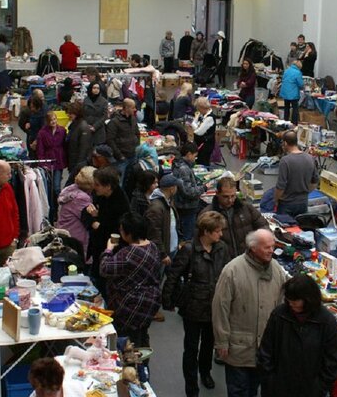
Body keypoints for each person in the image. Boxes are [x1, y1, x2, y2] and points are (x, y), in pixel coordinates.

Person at [212, 229, 288, 397]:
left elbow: (282, 306)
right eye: (266, 247)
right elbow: (220, 308)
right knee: (238, 391)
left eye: (273, 246)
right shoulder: (232, 271)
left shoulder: (276, 270)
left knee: (253, 391)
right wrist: (222, 341)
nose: (271, 250)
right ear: (253, 248)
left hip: (265, 349)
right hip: (238, 348)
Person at [162, 211, 229, 397]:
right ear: (206, 232)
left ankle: (205, 372)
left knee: (209, 344)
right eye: (217, 231)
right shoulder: (190, 250)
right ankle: (191, 386)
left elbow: (228, 274)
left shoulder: (222, 248)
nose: (221, 234)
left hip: (213, 307)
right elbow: (173, 275)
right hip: (193, 307)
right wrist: (167, 300)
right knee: (191, 348)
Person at [257, 274, 337, 397]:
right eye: (289, 300)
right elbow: (265, 351)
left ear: (308, 299)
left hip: (311, 391)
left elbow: (333, 360)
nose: (291, 304)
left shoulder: (326, 321)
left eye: (295, 300)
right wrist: (270, 381)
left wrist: (319, 387)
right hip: (278, 388)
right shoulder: (279, 315)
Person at [100, 212, 162, 350]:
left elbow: (104, 268)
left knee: (127, 342)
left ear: (129, 233)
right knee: (142, 337)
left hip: (129, 305)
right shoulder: (153, 247)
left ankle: (131, 368)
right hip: (150, 302)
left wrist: (108, 250)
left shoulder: (127, 253)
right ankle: (143, 367)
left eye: (122, 230)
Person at [82, 166, 130, 296]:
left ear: (108, 186)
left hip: (111, 251)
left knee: (105, 286)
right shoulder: (99, 195)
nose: (94, 187)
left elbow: (115, 229)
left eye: (97, 185)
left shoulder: (121, 204)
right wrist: (94, 222)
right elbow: (85, 213)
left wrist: (97, 221)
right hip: (98, 247)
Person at [199, 177, 268, 260]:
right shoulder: (207, 214)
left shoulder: (247, 208)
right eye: (226, 197)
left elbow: (263, 227)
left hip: (248, 259)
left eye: (233, 196)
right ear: (217, 193)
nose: (230, 200)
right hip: (222, 263)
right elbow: (200, 243)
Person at [275, 130, 319, 217]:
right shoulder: (310, 158)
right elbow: (315, 182)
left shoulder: (285, 161)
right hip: (303, 203)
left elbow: (280, 186)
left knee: (285, 228)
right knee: (300, 228)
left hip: (286, 204)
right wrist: (305, 192)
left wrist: (276, 200)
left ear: (285, 143)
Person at [57, 166, 95, 259]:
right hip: (76, 234)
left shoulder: (71, 189)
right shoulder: (82, 198)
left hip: (66, 228)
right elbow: (88, 217)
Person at [173, 142, 206, 241]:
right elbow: (188, 191)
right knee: (187, 235)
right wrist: (203, 188)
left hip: (182, 204)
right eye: (194, 156)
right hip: (187, 206)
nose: (195, 159)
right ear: (188, 154)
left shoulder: (179, 164)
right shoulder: (184, 169)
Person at [146, 174, 180, 266]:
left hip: (171, 247)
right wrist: (163, 254)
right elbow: (154, 233)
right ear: (172, 189)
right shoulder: (156, 207)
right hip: (164, 254)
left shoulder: (168, 201)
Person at [106, 98, 140, 186]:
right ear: (126, 108)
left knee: (129, 181)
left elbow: (137, 133)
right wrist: (119, 155)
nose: (135, 110)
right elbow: (110, 140)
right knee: (118, 183)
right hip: (121, 158)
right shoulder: (114, 122)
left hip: (133, 155)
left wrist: (137, 146)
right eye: (133, 108)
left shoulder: (133, 119)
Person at [37, 111, 67, 200]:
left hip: (59, 160)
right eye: (51, 120)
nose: (53, 122)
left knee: (56, 187)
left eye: (54, 119)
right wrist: (42, 163)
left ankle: (58, 203)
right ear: (47, 121)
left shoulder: (62, 130)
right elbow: (40, 149)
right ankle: (52, 206)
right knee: (49, 186)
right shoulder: (42, 133)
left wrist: (66, 159)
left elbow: (65, 146)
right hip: (47, 161)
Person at [65, 101, 93, 174]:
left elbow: (84, 148)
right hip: (73, 161)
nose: (68, 115)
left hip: (78, 164)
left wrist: (79, 166)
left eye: (70, 113)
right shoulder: (74, 125)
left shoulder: (82, 127)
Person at [191, 97, 216, 167]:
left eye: (198, 109)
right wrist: (196, 119)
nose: (198, 111)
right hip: (201, 143)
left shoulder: (209, 118)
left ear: (202, 108)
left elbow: (198, 132)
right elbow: (196, 124)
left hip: (206, 145)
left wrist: (194, 125)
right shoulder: (202, 115)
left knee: (203, 163)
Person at [83, 82, 109, 146]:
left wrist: (95, 127)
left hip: (98, 129)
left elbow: (105, 116)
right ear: (90, 89)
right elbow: (83, 113)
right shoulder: (86, 100)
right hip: (87, 128)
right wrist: (86, 125)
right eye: (94, 88)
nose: (96, 90)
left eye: (98, 88)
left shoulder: (104, 101)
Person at [279, 60, 304, 125]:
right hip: (293, 93)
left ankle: (285, 122)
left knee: (286, 107)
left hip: (285, 92)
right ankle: (294, 123)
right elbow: (301, 84)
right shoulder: (298, 72)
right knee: (295, 108)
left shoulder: (287, 70)